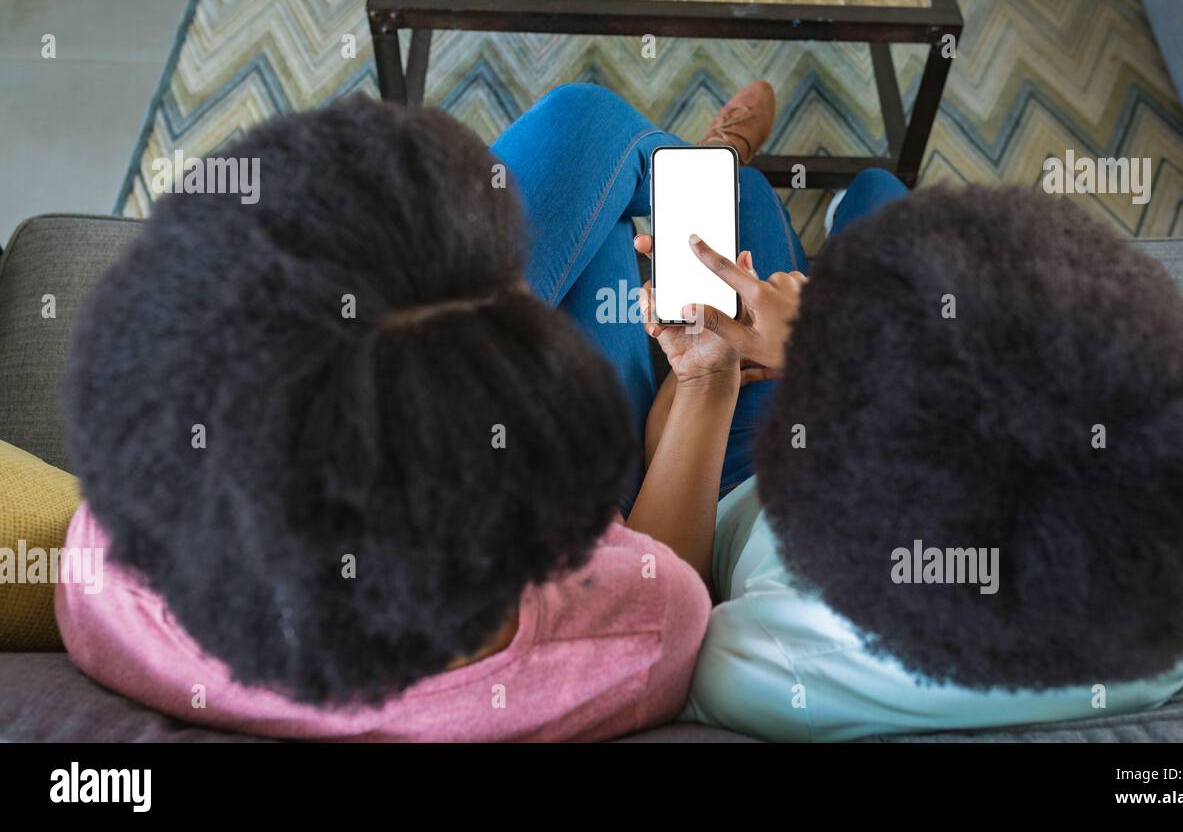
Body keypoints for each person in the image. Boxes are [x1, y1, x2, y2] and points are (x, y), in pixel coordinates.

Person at [55, 90, 739, 742]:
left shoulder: (114, 568)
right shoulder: (633, 640)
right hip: (622, 480)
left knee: (599, 172)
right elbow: (665, 576)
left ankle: (709, 167)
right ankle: (725, 167)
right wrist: (707, 385)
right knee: (621, 160)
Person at [637, 158, 1183, 739]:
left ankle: (765, 161)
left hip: (737, 472)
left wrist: (706, 381)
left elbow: (648, 622)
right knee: (885, 206)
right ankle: (860, 200)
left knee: (747, 198)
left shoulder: (797, 654)